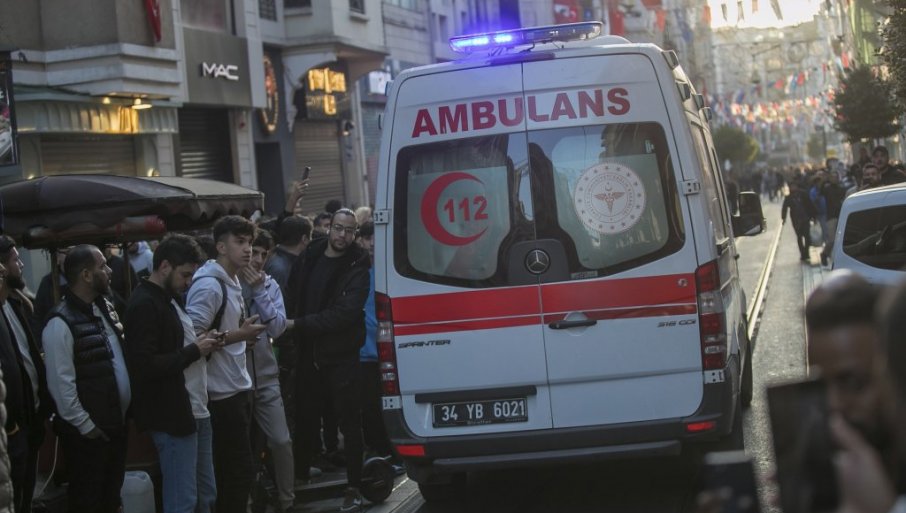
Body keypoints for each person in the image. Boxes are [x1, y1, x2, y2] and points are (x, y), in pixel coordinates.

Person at [123, 234, 220, 513]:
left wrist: (201, 344)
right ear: (164, 266)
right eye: (185, 275)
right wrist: (194, 351)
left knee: (205, 495)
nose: (188, 282)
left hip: (194, 408)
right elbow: (144, 365)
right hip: (172, 414)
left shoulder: (169, 298)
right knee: (183, 500)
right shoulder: (144, 303)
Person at [287, 207, 370, 512]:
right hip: (308, 352)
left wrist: (297, 324)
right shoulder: (311, 254)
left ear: (355, 234)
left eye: (349, 230)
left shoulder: (358, 266)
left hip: (341, 354)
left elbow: (343, 315)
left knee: (349, 421)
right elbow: (293, 291)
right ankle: (298, 476)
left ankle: (354, 485)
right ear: (329, 228)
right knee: (305, 417)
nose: (342, 235)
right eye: (338, 228)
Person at [185, 216, 266, 513]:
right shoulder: (209, 285)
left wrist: (242, 337)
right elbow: (193, 339)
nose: (247, 250)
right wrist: (238, 335)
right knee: (234, 474)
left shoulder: (232, 280)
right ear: (220, 246)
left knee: (241, 472)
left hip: (237, 387)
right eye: (239, 242)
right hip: (219, 395)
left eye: (250, 243)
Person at [42, 244, 132, 513]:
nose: (109, 271)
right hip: (88, 437)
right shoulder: (59, 323)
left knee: (111, 499)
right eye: (102, 266)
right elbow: (62, 387)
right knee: (88, 501)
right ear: (86, 275)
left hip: (115, 427)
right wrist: (87, 426)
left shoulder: (105, 307)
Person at [243, 230, 295, 512]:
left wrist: (260, 291)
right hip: (235, 380)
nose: (259, 259)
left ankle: (287, 500)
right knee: (242, 447)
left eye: (265, 254)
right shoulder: (227, 283)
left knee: (281, 440)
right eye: (255, 252)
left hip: (265, 376)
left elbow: (277, 328)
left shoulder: (270, 285)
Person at [0, 236, 47, 513]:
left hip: (32, 416)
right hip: (11, 427)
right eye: (15, 260)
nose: (20, 265)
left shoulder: (16, 303)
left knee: (25, 495)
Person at [355, 222, 398, 469]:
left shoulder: (391, 269)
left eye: (375, 237)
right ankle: (380, 452)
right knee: (370, 406)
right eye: (366, 237)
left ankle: (392, 451)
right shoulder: (354, 271)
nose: (371, 242)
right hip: (364, 351)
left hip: (389, 349)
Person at [781, 181, 816, 261]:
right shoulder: (789, 197)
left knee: (807, 237)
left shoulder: (803, 194)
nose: (793, 188)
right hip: (796, 220)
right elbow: (784, 208)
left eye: (794, 186)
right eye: (791, 186)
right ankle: (802, 253)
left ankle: (806, 252)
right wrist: (783, 218)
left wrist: (813, 215)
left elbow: (810, 204)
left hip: (805, 218)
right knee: (799, 237)